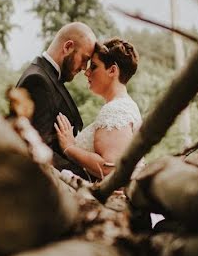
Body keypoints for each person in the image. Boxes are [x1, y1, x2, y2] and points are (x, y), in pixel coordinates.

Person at [54, 37, 141, 181]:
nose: (86, 72)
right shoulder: (125, 105)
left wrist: (69, 148)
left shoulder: (116, 110)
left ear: (112, 70)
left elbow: (109, 168)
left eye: (93, 66)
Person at [15, 22, 97, 175]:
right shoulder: (37, 81)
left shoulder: (47, 77)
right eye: (84, 59)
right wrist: (84, 178)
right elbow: (37, 149)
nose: (85, 67)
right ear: (67, 47)